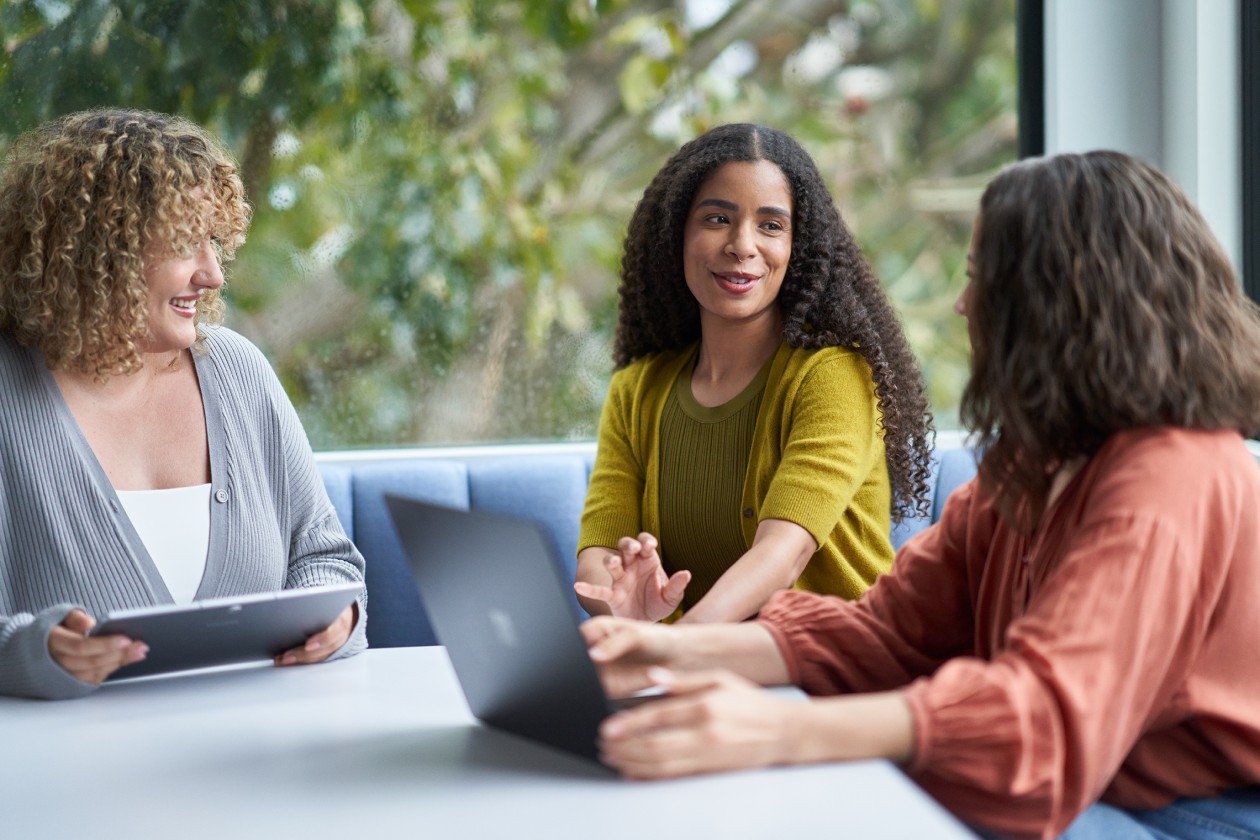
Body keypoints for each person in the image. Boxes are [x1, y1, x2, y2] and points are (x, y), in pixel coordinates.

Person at [581, 150, 1260, 839]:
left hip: (1189, 815)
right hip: (1092, 787)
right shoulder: (1032, 467)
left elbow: (1046, 726)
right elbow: (888, 634)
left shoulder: (1170, 475)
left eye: (981, 281)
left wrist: (778, 728)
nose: (965, 304)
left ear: (1062, 303)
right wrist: (659, 652)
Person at [0, 109, 367, 700]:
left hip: (265, 764)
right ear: (100, 248)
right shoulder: (7, 397)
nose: (214, 274)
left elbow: (327, 559)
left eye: (214, 241)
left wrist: (336, 622)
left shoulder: (238, 373)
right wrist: (31, 651)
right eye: (182, 242)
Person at [574, 123, 934, 624]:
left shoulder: (834, 376)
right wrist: (621, 603)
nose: (743, 245)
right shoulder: (637, 390)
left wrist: (674, 647)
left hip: (834, 670)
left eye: (770, 225)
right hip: (707, 672)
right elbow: (599, 552)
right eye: (718, 218)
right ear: (676, 234)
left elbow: (782, 556)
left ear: (797, 247)